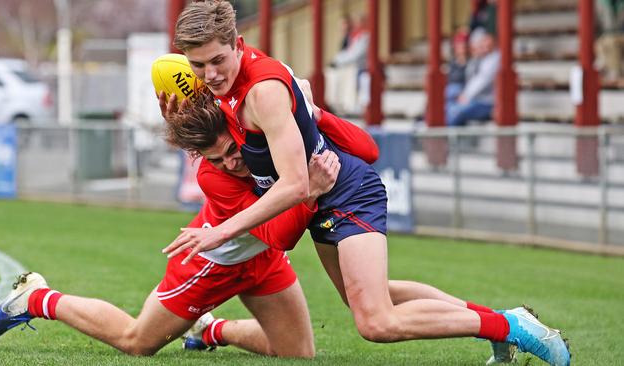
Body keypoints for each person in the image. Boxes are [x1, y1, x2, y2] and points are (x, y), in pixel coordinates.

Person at [159, 2, 571, 365]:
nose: (209, 75)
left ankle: (510, 326)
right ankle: (502, 321)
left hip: (346, 192)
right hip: (325, 199)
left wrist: (221, 231)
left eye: (217, 61)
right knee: (378, 296)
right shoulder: (229, 84)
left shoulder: (262, 92)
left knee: (375, 321)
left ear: (240, 43)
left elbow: (295, 185)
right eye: (198, 65)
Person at [0, 108, 345, 358]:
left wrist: (310, 105)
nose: (232, 163)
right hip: (213, 262)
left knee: (298, 353)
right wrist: (309, 190)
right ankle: (38, 298)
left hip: (261, 255)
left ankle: (210, 331)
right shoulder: (212, 177)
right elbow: (282, 234)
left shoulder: (255, 129)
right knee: (137, 341)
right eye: (218, 159)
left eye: (234, 150)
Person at [446, 27, 500, 127]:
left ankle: (443, 140)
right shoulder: (477, 59)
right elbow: (471, 78)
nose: (482, 46)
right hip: (474, 101)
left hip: (487, 103)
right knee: (446, 107)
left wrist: (465, 96)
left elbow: (482, 80)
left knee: (455, 111)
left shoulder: (494, 58)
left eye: (484, 41)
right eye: (478, 44)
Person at [324, 13, 370, 115]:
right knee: (331, 74)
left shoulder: (365, 37)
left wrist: (337, 61)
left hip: (360, 66)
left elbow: (355, 55)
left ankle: (348, 105)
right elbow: (346, 54)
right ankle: (336, 103)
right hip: (350, 66)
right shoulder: (354, 37)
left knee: (346, 75)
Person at [446, 28, 470, 103]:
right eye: (459, 45)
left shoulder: (471, 62)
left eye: (464, 45)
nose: (462, 48)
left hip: (463, 89)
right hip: (451, 89)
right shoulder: (453, 62)